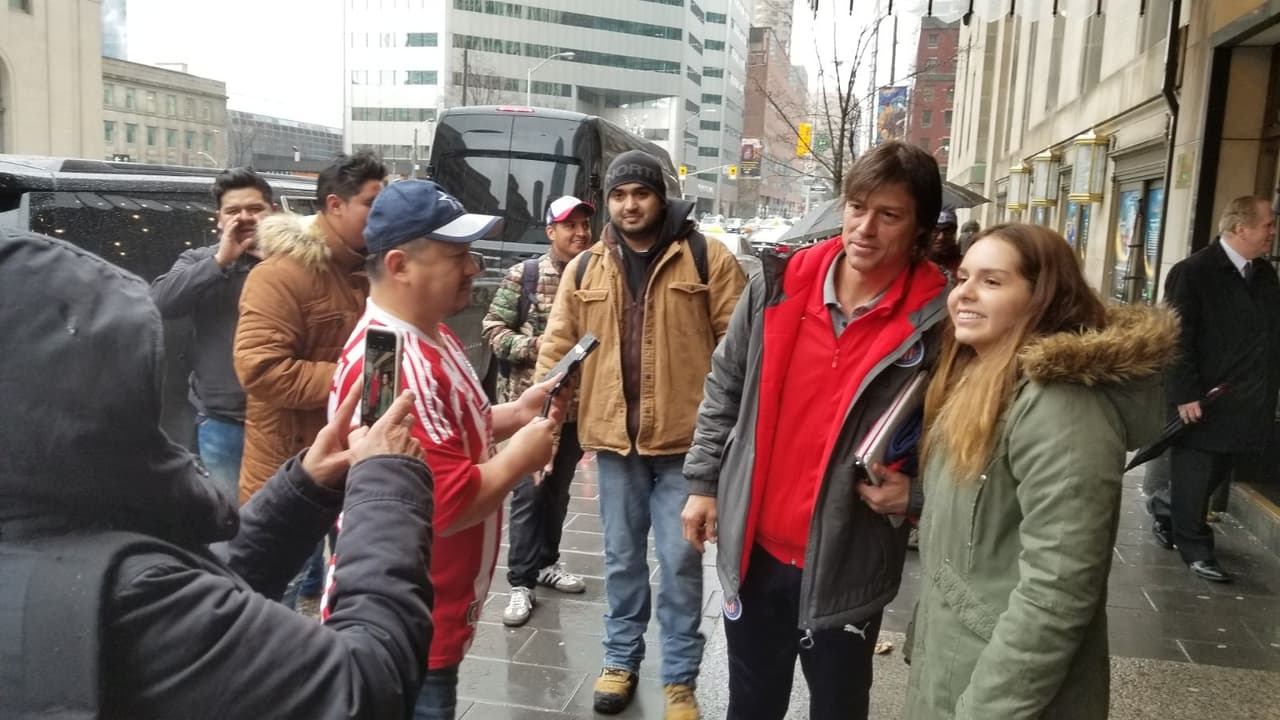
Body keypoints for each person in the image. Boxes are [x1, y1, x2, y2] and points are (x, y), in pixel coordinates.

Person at [0, 226, 437, 720]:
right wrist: (387, 482)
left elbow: (210, 587)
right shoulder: (124, 599)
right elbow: (367, 683)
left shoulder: (55, 534)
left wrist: (303, 489)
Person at [682, 140, 948, 720]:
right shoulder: (780, 284)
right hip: (753, 547)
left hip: (847, 560)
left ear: (921, 228)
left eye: (889, 215)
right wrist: (703, 483)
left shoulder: (939, 320)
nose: (865, 228)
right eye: (856, 207)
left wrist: (920, 495)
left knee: (837, 705)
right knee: (750, 703)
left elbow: (971, 440)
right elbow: (725, 386)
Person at [901, 223, 1176, 718]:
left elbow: (1058, 589)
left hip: (1003, 693)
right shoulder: (981, 379)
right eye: (962, 277)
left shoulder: (1060, 407)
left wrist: (987, 708)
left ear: (1041, 297)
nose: (963, 293)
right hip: (955, 668)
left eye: (991, 281)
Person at [325, 179, 564, 720]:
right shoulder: (388, 362)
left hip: (435, 612)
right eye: (458, 255)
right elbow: (442, 503)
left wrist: (517, 415)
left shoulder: (431, 334)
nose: (474, 267)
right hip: (411, 625)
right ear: (400, 264)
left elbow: (457, 431)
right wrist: (520, 458)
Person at [538, 150, 746, 719]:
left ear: (661, 197)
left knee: (680, 561)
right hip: (613, 446)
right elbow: (558, 349)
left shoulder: (707, 259)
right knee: (622, 559)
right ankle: (620, 660)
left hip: (686, 447)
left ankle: (679, 680)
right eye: (619, 195)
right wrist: (545, 426)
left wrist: (730, 439)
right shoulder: (586, 268)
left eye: (641, 193)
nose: (630, 205)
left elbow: (742, 351)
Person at [234, 152, 386, 610]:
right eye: (371, 204)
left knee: (352, 591)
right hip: (289, 466)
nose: (382, 217)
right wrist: (357, 382)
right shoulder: (279, 276)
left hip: (355, 463)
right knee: (268, 597)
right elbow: (260, 369)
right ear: (334, 205)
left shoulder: (371, 270)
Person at [482, 195, 596, 628]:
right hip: (531, 409)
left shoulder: (597, 275)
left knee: (559, 489)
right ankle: (520, 582)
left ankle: (548, 562)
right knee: (528, 492)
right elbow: (492, 330)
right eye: (570, 226)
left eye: (585, 224)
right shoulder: (525, 275)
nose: (580, 233)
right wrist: (539, 348)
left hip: (578, 410)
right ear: (551, 232)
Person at [1157, 196, 1280, 582]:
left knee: (1215, 471)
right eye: (1268, 225)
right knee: (1196, 473)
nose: (1273, 233)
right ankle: (1196, 548)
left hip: (1247, 398)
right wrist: (1184, 393)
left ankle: (1165, 509)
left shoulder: (1265, 275)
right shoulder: (1192, 272)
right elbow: (1175, 337)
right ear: (1240, 228)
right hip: (1203, 398)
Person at [150, 167, 274, 498]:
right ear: (219, 218)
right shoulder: (199, 260)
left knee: (290, 532)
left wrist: (278, 264)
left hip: (285, 423)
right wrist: (220, 260)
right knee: (229, 528)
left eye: (255, 209)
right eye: (233, 211)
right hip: (223, 423)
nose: (245, 218)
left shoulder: (297, 261)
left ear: (272, 212)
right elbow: (160, 302)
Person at [927, 207, 961, 276]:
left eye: (947, 231)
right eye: (935, 231)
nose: (941, 237)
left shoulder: (962, 265)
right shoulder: (912, 263)